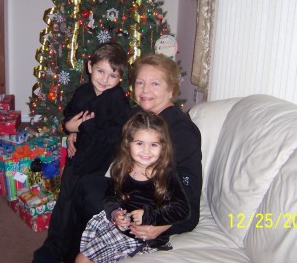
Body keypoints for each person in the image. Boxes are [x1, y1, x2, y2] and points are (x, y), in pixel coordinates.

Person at [72, 53, 202, 255]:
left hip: (168, 210)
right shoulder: (140, 116)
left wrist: (159, 223)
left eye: (155, 84)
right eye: (140, 83)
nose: (145, 90)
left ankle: (95, 252)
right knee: (85, 183)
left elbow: (187, 191)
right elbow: (106, 129)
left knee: (93, 196)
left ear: (171, 90)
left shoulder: (180, 130)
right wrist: (76, 132)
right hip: (137, 193)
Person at [33, 43, 131, 263]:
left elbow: (116, 134)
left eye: (113, 75)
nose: (105, 79)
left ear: (120, 78)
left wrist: (79, 128)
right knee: (64, 205)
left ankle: (72, 253)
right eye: (100, 71)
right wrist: (69, 128)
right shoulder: (84, 92)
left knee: (78, 209)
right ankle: (54, 249)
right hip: (78, 157)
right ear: (90, 67)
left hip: (99, 164)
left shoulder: (116, 100)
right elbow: (70, 115)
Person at [75, 111, 190, 263]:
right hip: (120, 226)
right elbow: (111, 196)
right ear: (128, 143)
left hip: (144, 238)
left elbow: (183, 210)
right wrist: (115, 212)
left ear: (163, 147)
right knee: (81, 254)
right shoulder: (121, 168)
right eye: (139, 143)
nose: (146, 151)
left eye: (154, 145)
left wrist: (149, 216)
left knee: (82, 260)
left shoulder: (165, 174)